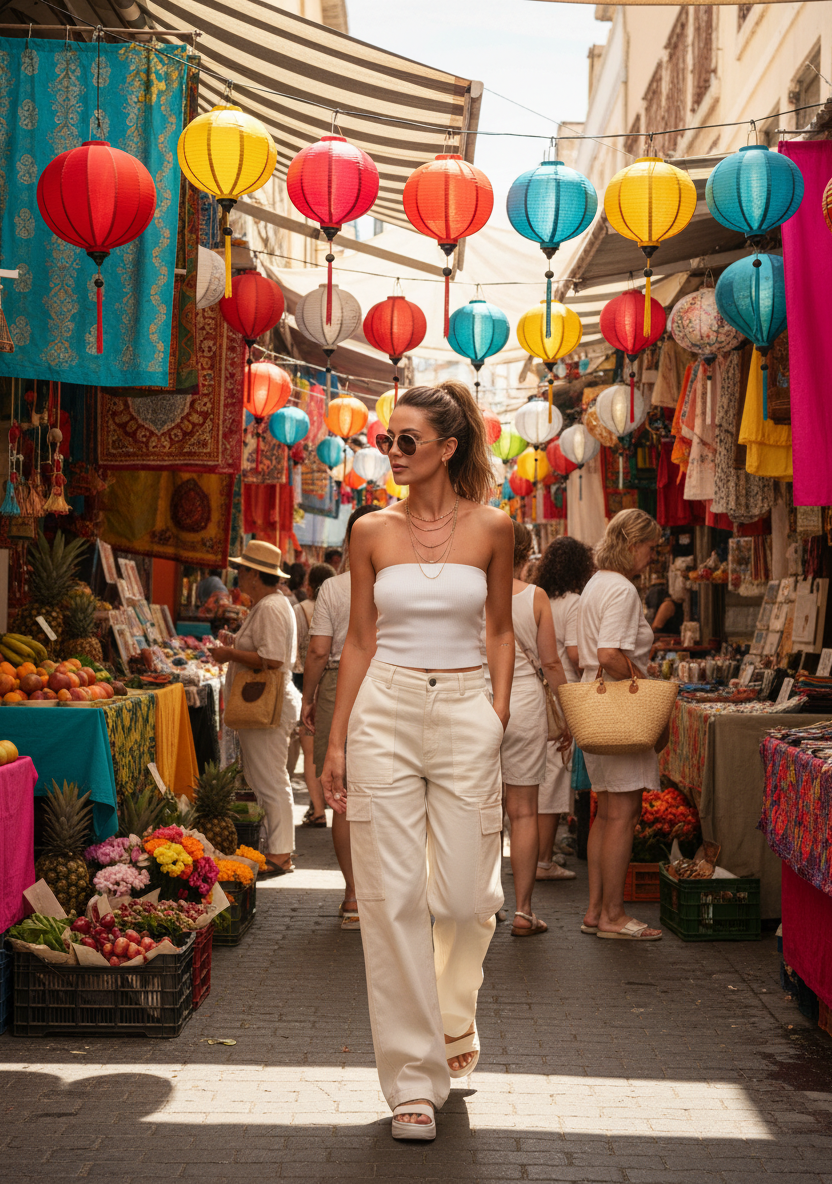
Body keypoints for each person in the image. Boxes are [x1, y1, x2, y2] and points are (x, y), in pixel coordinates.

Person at [321, 382, 514, 1142]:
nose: (392, 452)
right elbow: (359, 642)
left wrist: (496, 714)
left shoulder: (496, 529)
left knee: (467, 902)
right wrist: (336, 740)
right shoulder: (369, 531)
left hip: (468, 710)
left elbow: (500, 630)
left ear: (448, 446)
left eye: (407, 440)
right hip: (385, 713)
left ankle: (452, 1021)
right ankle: (412, 1081)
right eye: (388, 440)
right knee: (392, 899)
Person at [576, 508, 664, 941]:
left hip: (597, 712)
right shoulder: (623, 590)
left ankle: (596, 910)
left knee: (606, 811)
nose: (652, 556)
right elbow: (609, 655)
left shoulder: (595, 584)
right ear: (632, 544)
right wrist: (645, 685)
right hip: (619, 711)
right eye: (650, 547)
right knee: (622, 813)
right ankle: (613, 914)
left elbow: (585, 652)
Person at [300, 510, 381, 924]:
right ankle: (385, 895)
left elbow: (318, 651)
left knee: (343, 799)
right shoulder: (398, 581)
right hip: (389, 684)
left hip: (337, 684)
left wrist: (308, 697)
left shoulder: (333, 587)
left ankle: (353, 896)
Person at [209, 541, 300, 877]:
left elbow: (272, 659)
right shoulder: (271, 605)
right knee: (268, 777)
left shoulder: (271, 607)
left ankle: (280, 853)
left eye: (242, 570)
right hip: (270, 704)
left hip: (270, 705)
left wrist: (230, 655)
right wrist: (236, 646)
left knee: (270, 778)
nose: (238, 576)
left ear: (254, 575)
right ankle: (277, 849)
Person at [499, 522, 572, 937]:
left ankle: (483, 905)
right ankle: (524, 911)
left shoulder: (474, 594)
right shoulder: (536, 598)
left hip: (478, 697)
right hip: (525, 702)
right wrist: (568, 715)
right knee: (523, 809)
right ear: (527, 554)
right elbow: (552, 665)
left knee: (480, 809)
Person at [534, 536, 596, 878]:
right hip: (564, 693)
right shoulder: (574, 602)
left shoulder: (538, 597)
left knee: (538, 776)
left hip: (536, 692)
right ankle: (543, 860)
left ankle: (540, 854)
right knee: (554, 779)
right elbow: (573, 654)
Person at [296, 563, 336, 830]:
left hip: (312, 678)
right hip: (346, 675)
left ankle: (318, 808)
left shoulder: (304, 609)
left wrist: (307, 698)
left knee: (311, 749)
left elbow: (314, 651)